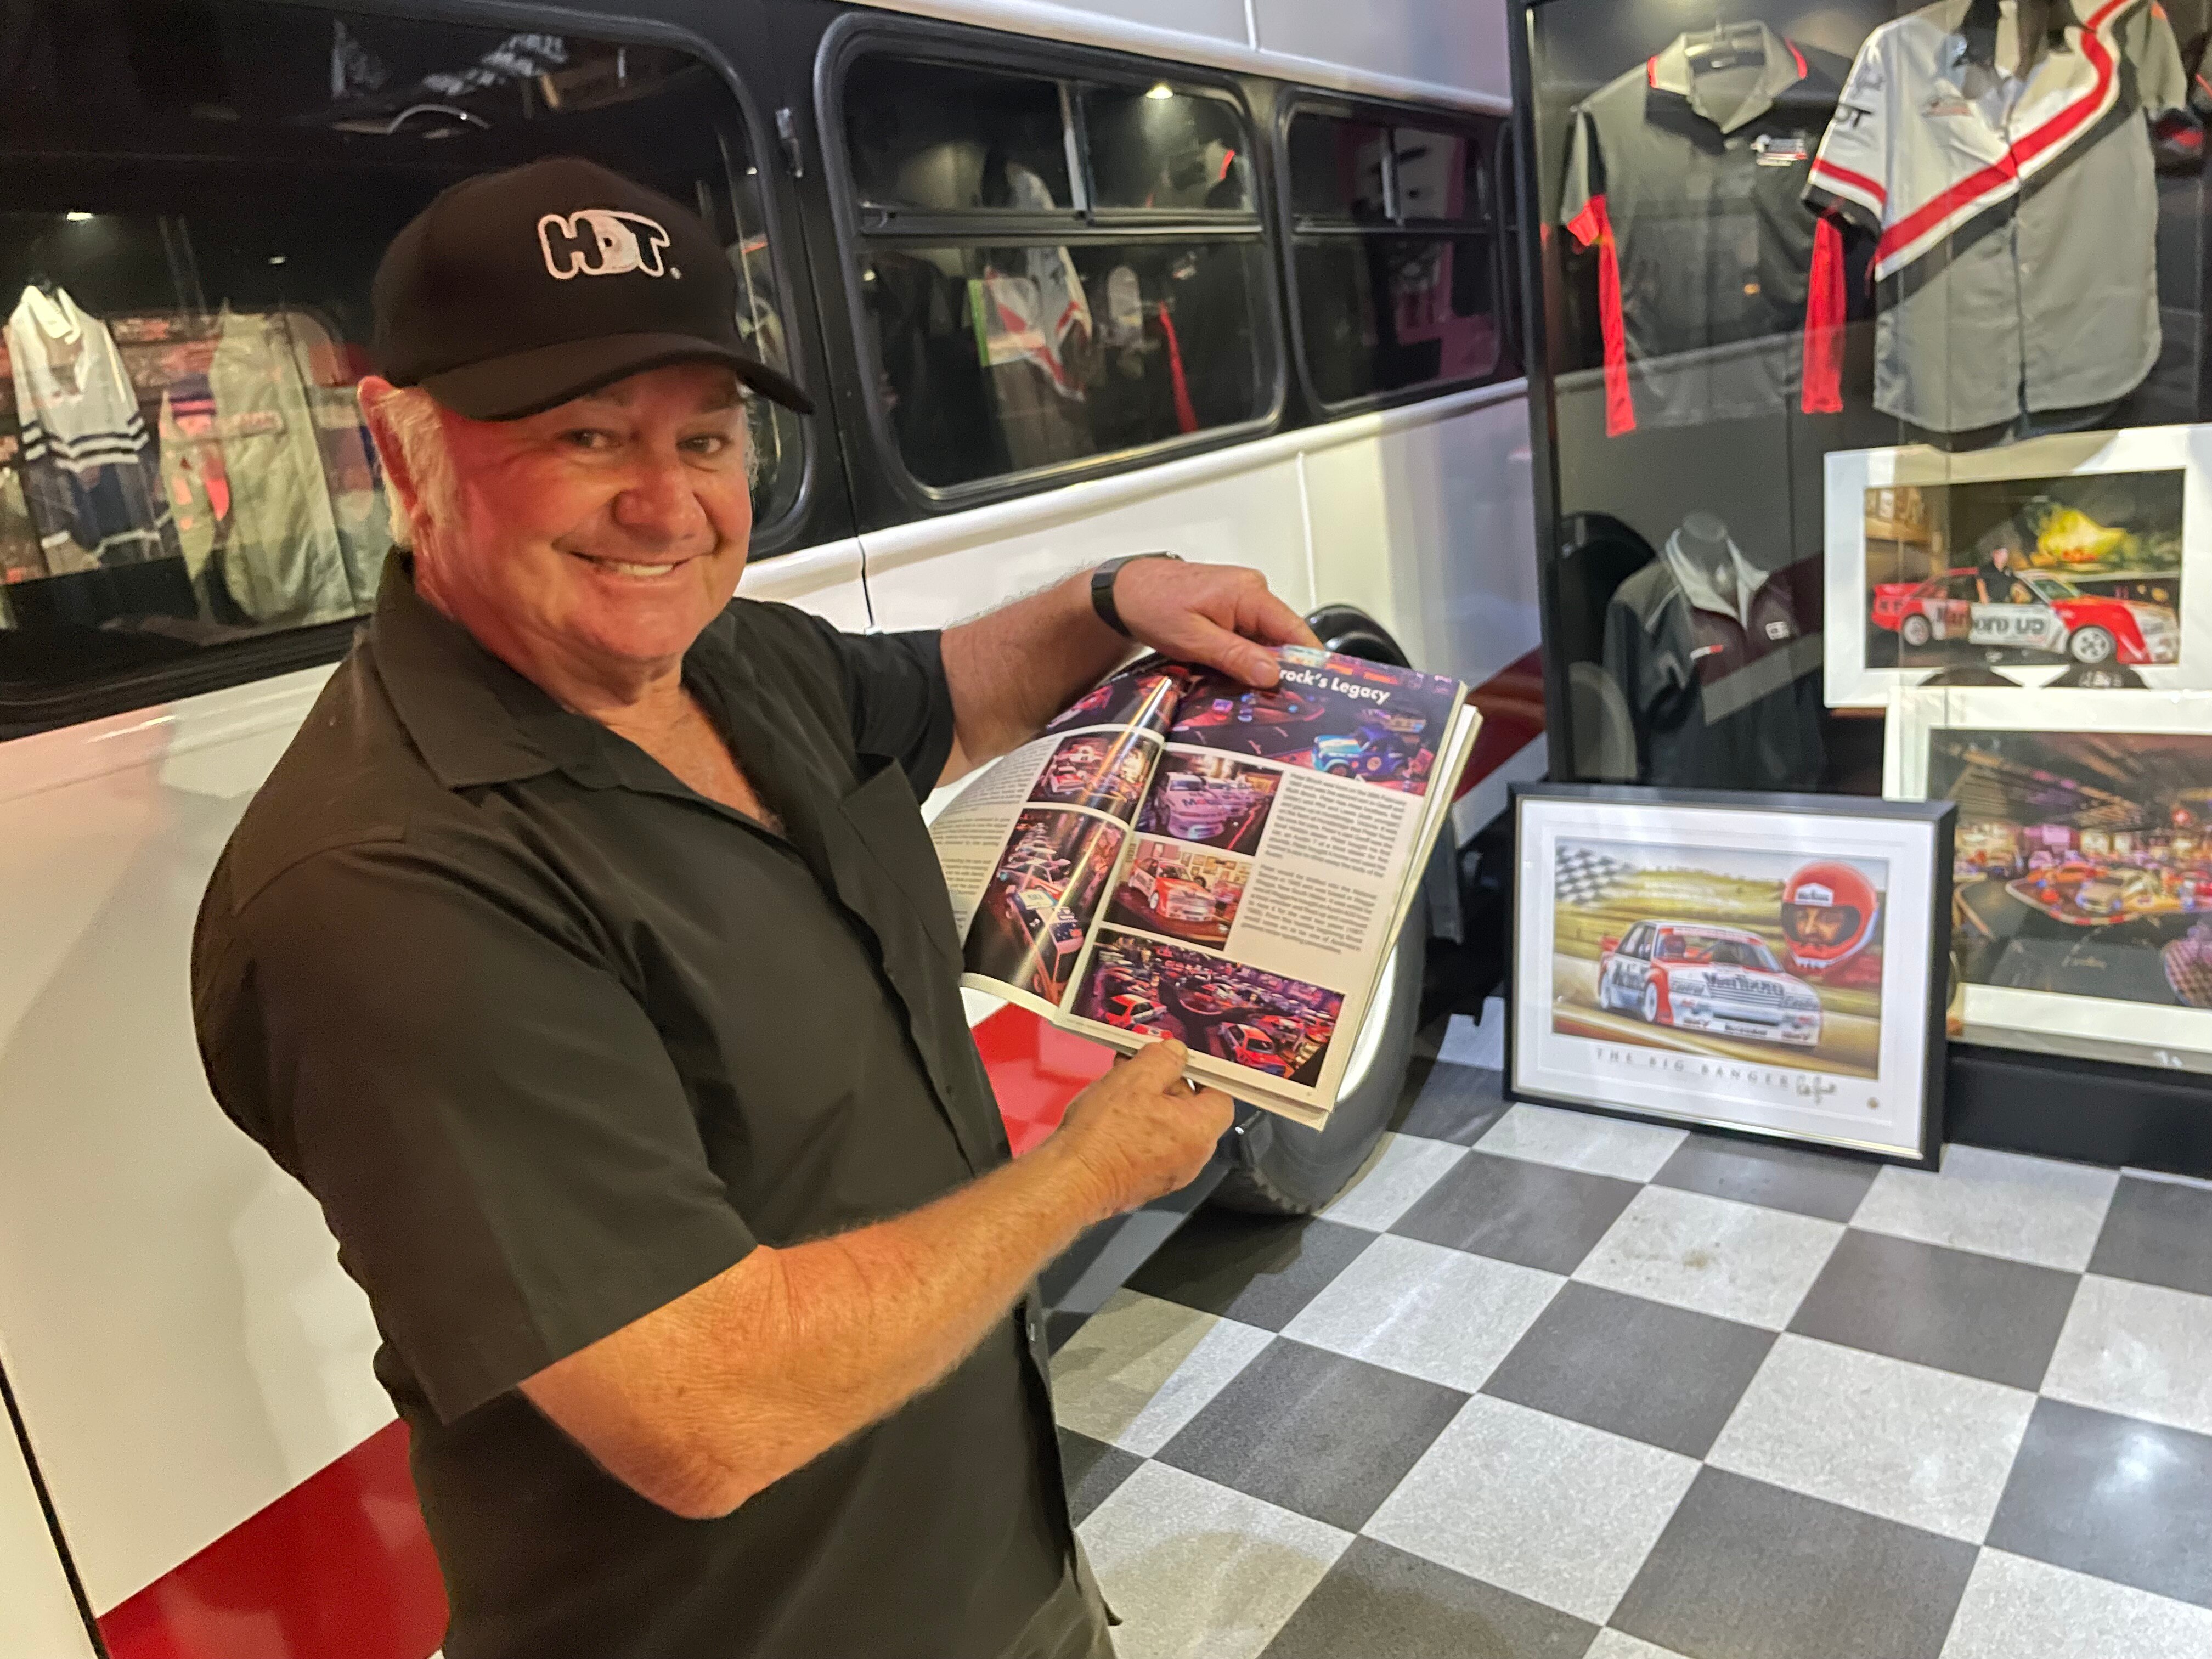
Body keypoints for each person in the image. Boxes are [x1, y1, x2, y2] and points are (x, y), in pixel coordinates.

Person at [189, 157, 1323, 1659]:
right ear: (408, 457)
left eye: (706, 437)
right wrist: (1085, 1174)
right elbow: (709, 1410)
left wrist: (1114, 596)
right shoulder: (386, 893)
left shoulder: (737, 662)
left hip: (999, 1589)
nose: (666, 505)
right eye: (584, 436)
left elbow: (946, 694)